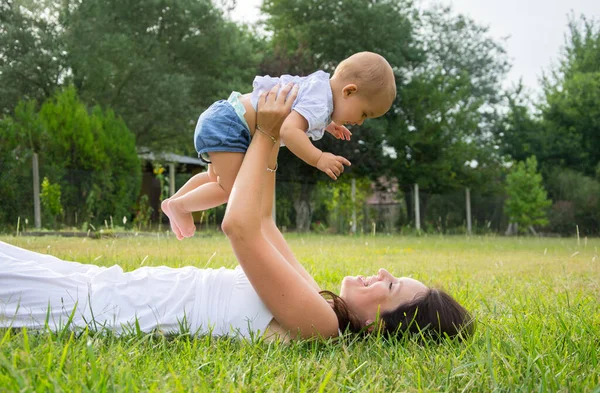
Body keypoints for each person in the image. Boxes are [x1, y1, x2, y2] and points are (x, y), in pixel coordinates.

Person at [0, 84, 473, 342]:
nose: (383, 272)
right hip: (111, 284)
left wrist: (267, 136)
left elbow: (239, 226)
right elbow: (264, 222)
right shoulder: (312, 294)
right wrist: (261, 133)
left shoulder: (321, 325)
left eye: (391, 287)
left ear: (378, 325)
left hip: (106, 310)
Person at [162, 51, 397, 240]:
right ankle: (181, 207)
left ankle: (172, 203)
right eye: (364, 113)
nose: (360, 121)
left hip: (226, 117)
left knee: (215, 180)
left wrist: (327, 125)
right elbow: (289, 130)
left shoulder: (320, 87)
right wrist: (318, 157)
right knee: (231, 190)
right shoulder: (320, 101)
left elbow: (299, 112)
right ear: (349, 91)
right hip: (232, 127)